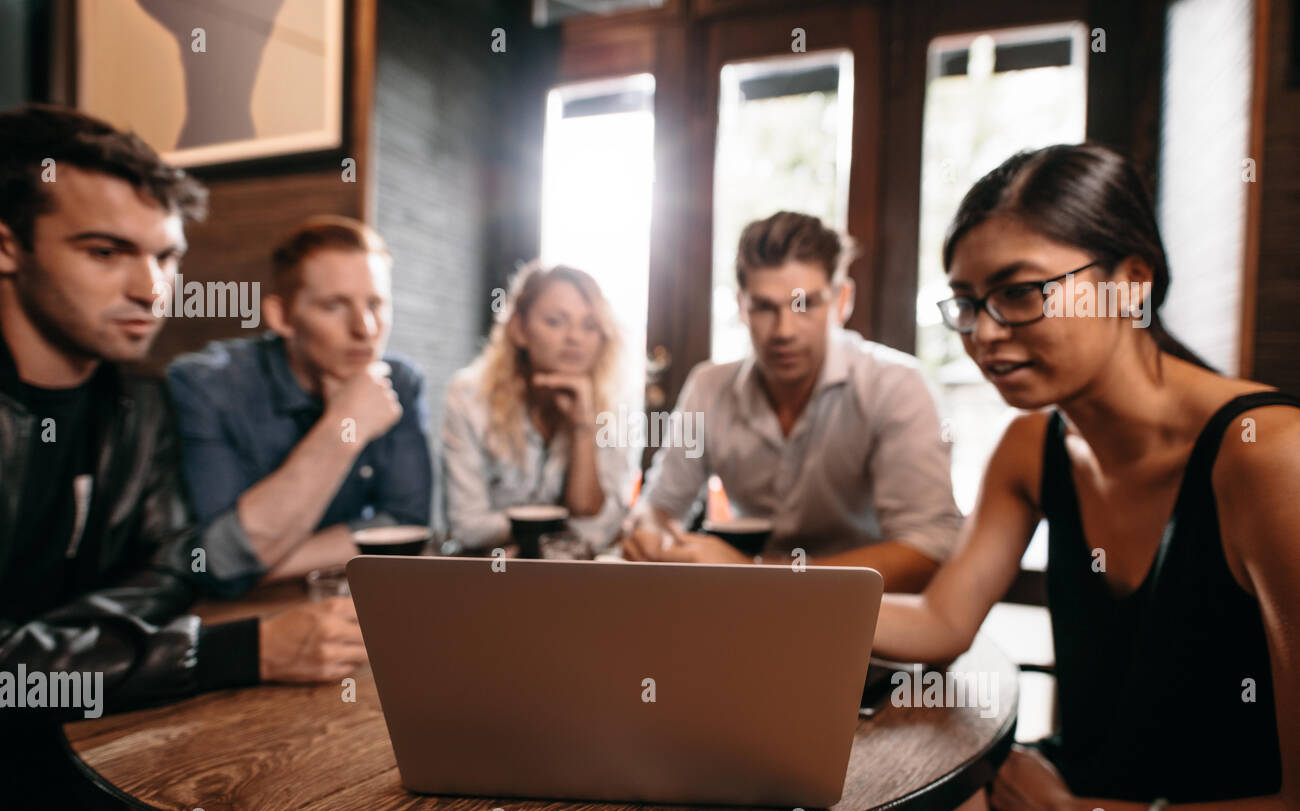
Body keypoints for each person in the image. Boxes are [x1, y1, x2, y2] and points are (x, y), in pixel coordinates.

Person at [872, 143, 1300, 811]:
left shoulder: (1269, 457)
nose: (983, 333)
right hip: (1075, 791)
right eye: (968, 303)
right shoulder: (1032, 445)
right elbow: (944, 621)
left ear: (1131, 283)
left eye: (1018, 292)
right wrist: (758, 595)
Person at [0, 105, 366, 811]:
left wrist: (46, 648)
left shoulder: (137, 401)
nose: (150, 287)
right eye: (106, 252)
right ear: (8, 246)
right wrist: (233, 651)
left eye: (167, 258)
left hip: (80, 754)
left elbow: (168, 571)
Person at [622, 211, 963, 592]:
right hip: (742, 607)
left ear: (842, 301)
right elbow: (658, 505)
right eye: (764, 307)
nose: (784, 331)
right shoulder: (708, 386)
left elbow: (928, 548)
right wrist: (650, 534)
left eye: (805, 305)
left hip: (865, 618)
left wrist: (760, 575)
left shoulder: (896, 385)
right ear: (742, 306)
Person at [166, 216, 434, 597]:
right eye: (334, 306)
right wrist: (346, 426)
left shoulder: (400, 380)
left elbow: (409, 527)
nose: (365, 328)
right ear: (282, 317)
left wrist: (261, 563)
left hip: (345, 603)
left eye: (376, 303)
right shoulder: (206, 384)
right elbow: (216, 558)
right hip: (239, 623)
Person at [441, 261, 629, 553]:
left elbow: (597, 528)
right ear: (519, 329)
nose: (575, 338)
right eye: (555, 321)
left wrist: (583, 428)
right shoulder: (469, 397)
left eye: (589, 325)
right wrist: (558, 527)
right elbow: (467, 527)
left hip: (571, 578)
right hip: (490, 573)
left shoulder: (611, 406)